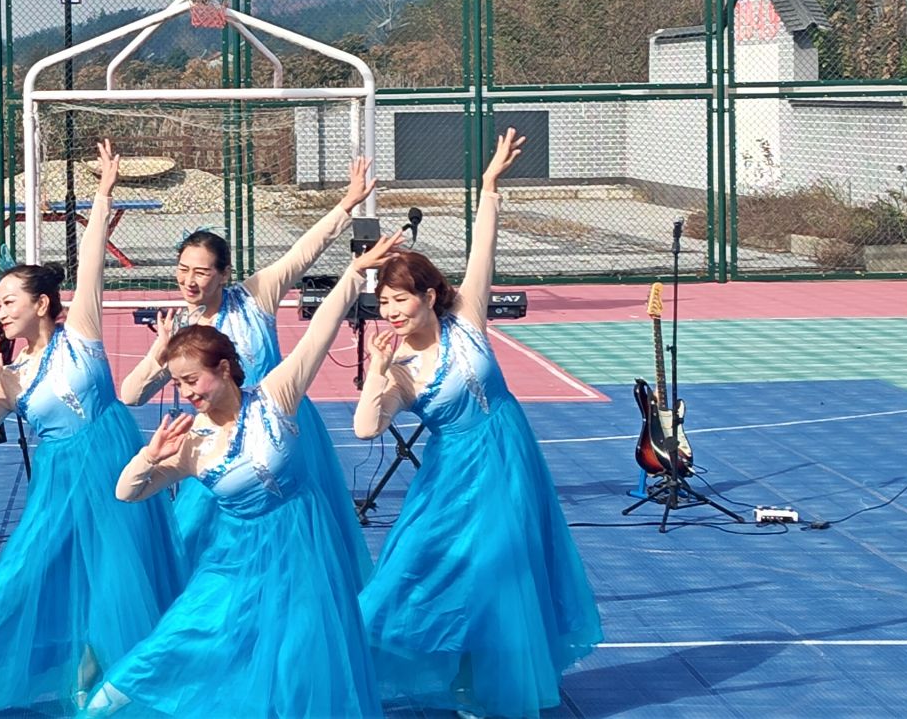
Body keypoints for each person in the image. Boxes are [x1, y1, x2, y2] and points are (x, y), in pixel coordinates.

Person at [84, 229, 408, 719]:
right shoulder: (192, 442)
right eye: (179, 384)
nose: (187, 393)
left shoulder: (275, 396)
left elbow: (319, 332)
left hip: (301, 544)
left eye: (192, 380)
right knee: (187, 630)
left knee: (301, 651)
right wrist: (149, 456)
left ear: (224, 368)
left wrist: (355, 270)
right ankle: (107, 701)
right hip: (233, 553)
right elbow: (127, 491)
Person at [0, 140, 185, 719]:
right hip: (59, 486)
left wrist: (104, 193)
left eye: (8, 301)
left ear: (41, 304)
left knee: (112, 589)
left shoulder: (81, 333)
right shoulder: (11, 377)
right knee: (14, 581)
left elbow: (90, 265)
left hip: (117, 473)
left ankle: (88, 693)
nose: (0, 310)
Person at [354, 129, 602, 717]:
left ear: (429, 295)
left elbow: (482, 247)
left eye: (400, 299)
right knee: (433, 569)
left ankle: (484, 685)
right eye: (383, 302)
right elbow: (366, 429)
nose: (390, 311)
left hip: (511, 458)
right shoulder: (400, 368)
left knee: (505, 572)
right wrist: (375, 374)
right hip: (454, 477)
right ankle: (379, 660)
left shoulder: (466, 316)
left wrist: (489, 184)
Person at [120, 158, 377, 576]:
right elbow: (131, 395)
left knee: (300, 540)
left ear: (224, 274)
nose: (189, 281)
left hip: (278, 429)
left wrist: (345, 206)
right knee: (200, 543)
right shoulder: (180, 331)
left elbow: (301, 255)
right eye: (182, 270)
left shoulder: (254, 298)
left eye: (201, 272)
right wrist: (158, 353)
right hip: (218, 440)